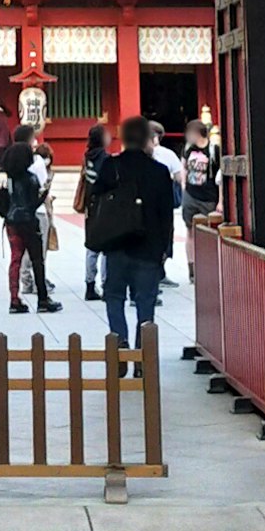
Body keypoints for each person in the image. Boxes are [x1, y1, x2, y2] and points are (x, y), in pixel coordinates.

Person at [86, 115, 181, 353]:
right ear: (147, 138)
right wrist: (165, 249)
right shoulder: (159, 171)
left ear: (124, 138)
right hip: (148, 246)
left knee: (114, 296)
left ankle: (119, 340)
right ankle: (143, 354)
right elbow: (166, 215)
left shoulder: (111, 166)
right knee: (145, 301)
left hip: (116, 243)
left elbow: (94, 198)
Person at [0, 144, 58, 312]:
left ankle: (14, 299)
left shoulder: (10, 179)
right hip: (28, 221)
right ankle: (42, 299)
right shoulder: (31, 179)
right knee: (37, 259)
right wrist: (44, 194)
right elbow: (32, 204)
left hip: (11, 221)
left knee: (15, 260)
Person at [75, 122, 112, 301]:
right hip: (104, 206)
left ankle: (89, 285)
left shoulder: (87, 156)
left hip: (91, 205)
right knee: (106, 249)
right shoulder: (105, 158)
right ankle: (106, 285)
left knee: (91, 247)